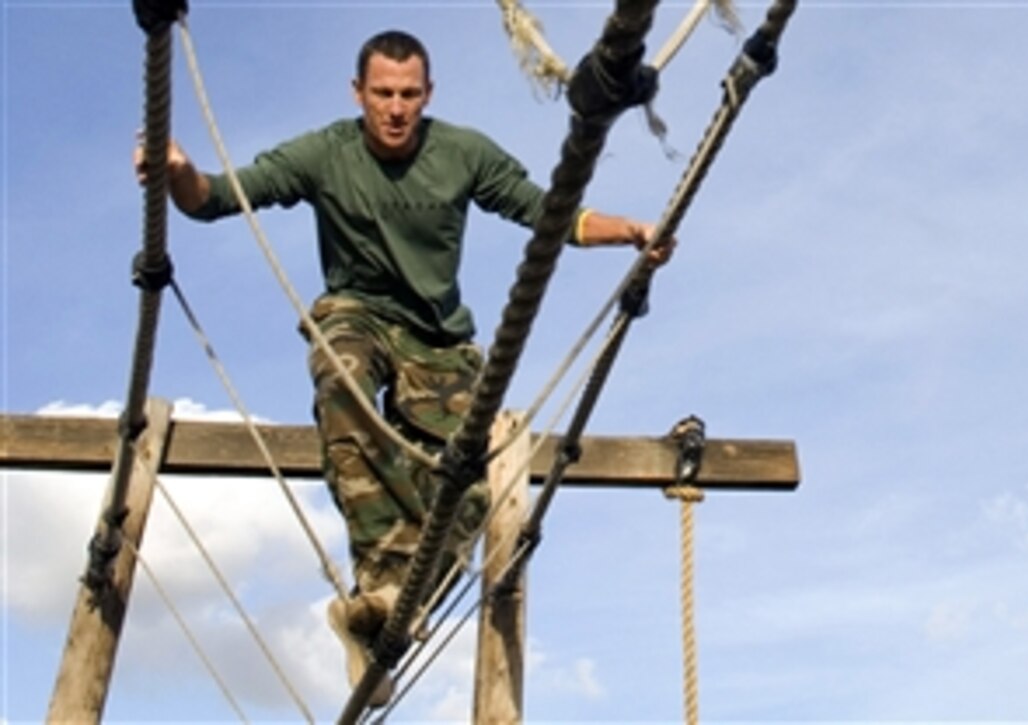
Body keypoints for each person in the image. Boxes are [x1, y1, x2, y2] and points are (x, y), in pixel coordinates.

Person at [135, 29, 674, 704]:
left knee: (467, 496)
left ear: (429, 95)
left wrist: (627, 231)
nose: (395, 109)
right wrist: (178, 168)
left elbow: (548, 212)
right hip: (357, 316)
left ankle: (380, 612)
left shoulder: (461, 153)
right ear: (358, 93)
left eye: (409, 95)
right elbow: (215, 197)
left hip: (440, 343)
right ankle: (378, 584)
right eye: (383, 94)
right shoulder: (324, 153)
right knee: (343, 378)